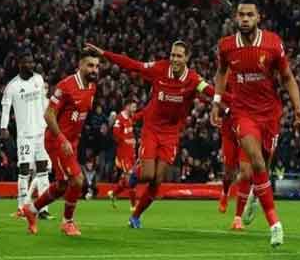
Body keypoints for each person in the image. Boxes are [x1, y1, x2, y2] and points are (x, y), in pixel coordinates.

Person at [84, 41, 230, 228]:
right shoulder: (159, 69)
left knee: (158, 180)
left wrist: (235, 102)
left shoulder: (193, 79)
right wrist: (105, 53)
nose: (174, 59)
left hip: (171, 133)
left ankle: (135, 216)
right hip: (152, 128)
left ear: (187, 58)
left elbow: (211, 91)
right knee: (146, 175)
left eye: (179, 56)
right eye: (172, 55)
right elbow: (132, 64)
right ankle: (133, 174)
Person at [211, 0, 300, 247]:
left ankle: (256, 192)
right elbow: (221, 73)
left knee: (261, 166)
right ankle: (275, 223)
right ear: (235, 18)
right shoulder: (227, 46)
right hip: (243, 113)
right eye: (241, 15)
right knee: (254, 161)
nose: (244, 19)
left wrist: (297, 108)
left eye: (249, 15)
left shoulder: (273, 43)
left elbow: (287, 77)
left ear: (258, 17)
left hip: (270, 114)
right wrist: (216, 101)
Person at [21, 49, 100, 236]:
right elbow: (48, 115)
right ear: (80, 65)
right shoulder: (66, 86)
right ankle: (67, 222)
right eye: (90, 65)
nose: (94, 70)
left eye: (97, 66)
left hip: (71, 142)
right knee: (78, 180)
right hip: (57, 141)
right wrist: (62, 138)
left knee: (63, 185)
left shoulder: (92, 87)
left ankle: (31, 210)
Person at [0, 50, 52, 219]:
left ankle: (43, 208)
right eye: (27, 62)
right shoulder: (12, 86)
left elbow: (44, 102)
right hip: (25, 134)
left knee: (43, 170)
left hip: (41, 132)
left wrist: (50, 121)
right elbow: (6, 108)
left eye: (32, 62)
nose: (31, 65)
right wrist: (3, 127)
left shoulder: (38, 79)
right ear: (20, 64)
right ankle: (22, 207)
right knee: (24, 171)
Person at [107, 101, 143, 211]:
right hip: (124, 155)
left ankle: (113, 193)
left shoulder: (130, 118)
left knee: (128, 179)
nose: (135, 109)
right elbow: (115, 134)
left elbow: (130, 132)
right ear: (127, 106)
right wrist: (125, 141)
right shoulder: (120, 118)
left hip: (131, 153)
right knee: (131, 179)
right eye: (133, 106)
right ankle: (133, 206)